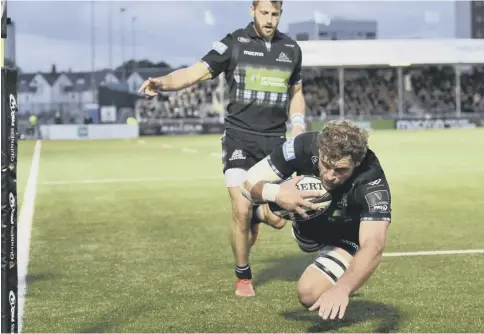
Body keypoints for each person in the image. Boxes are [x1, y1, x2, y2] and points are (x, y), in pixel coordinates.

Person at [138, 0, 306, 297]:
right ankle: (243, 276)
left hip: (274, 142)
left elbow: (296, 93)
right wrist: (162, 82)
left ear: (281, 14)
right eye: (264, 13)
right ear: (252, 10)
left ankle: (259, 214)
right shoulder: (234, 43)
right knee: (241, 208)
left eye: (275, 14)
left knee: (279, 219)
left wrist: (298, 125)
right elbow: (195, 73)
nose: (269, 20)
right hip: (239, 138)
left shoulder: (291, 50)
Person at [240, 120, 392, 320]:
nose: (330, 176)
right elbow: (246, 183)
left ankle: (337, 266)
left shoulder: (371, 179)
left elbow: (374, 244)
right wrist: (275, 193)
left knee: (309, 294)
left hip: (346, 234)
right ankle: (261, 214)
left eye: (340, 170)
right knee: (277, 216)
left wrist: (343, 288)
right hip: (307, 222)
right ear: (319, 151)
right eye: (326, 164)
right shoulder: (303, 145)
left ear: (356, 162)